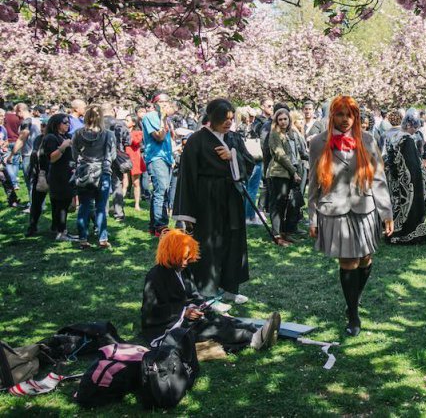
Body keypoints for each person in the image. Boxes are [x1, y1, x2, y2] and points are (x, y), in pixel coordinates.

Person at [307, 96, 393, 337]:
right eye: (340, 114)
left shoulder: (367, 140)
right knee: (348, 262)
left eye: (349, 115)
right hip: (334, 210)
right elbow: (313, 183)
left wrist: (386, 212)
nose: (345, 120)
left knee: (365, 259)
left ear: (356, 117)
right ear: (332, 115)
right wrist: (312, 216)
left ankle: (354, 298)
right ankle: (353, 313)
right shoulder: (318, 143)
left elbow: (378, 178)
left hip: (364, 207)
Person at [173, 98, 254, 311]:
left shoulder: (234, 138)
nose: (228, 123)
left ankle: (230, 287)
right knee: (209, 244)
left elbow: (249, 164)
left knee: (232, 240)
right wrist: (185, 214)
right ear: (212, 117)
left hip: (231, 199)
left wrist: (232, 157)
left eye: (231, 118)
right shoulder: (196, 141)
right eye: (223, 119)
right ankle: (208, 294)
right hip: (207, 200)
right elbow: (187, 177)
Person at [140, 229, 280, 349]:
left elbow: (193, 294)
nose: (185, 263)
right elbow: (152, 312)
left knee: (221, 320)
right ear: (170, 254)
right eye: (182, 259)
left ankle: (257, 331)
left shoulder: (183, 270)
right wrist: (184, 312)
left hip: (187, 317)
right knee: (212, 330)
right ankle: (255, 339)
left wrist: (203, 307)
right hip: (167, 327)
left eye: (187, 259)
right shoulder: (155, 277)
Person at [72, 104, 117, 249]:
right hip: (102, 172)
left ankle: (83, 239)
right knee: (101, 207)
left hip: (84, 172)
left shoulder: (78, 134)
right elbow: (113, 155)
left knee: (84, 206)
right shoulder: (108, 134)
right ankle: (102, 239)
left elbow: (74, 154)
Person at [384, 110, 426, 245]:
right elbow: (412, 165)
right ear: (409, 125)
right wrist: (421, 174)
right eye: (415, 128)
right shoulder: (407, 139)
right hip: (406, 181)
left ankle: (394, 233)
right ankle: (407, 235)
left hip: (394, 179)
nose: (415, 131)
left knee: (396, 206)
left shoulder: (394, 136)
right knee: (407, 208)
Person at [266, 107, 304, 246]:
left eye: (285, 119)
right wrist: (293, 172)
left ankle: (285, 233)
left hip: (290, 173)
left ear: (289, 120)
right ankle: (277, 235)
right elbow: (280, 155)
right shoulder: (274, 134)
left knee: (289, 204)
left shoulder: (291, 134)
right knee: (278, 205)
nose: (283, 122)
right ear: (276, 121)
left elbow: (296, 154)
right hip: (278, 173)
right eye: (280, 119)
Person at [142, 92, 175, 237]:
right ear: (155, 103)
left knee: (162, 191)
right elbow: (160, 137)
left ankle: (153, 225)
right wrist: (162, 118)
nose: (166, 105)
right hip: (156, 158)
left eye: (168, 102)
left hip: (166, 157)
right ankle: (161, 226)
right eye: (163, 102)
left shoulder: (166, 119)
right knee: (161, 191)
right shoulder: (150, 117)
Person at [39, 113, 75, 240]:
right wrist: (63, 147)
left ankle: (58, 229)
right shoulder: (51, 138)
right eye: (65, 122)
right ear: (57, 124)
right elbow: (51, 158)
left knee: (62, 203)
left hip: (67, 174)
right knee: (61, 204)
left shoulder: (66, 136)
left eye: (68, 122)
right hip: (58, 176)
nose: (68, 124)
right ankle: (61, 232)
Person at [121, 114, 145, 212]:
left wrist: (127, 134)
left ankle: (137, 204)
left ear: (133, 123)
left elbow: (135, 142)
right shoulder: (122, 131)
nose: (125, 122)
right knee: (124, 182)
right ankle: (119, 204)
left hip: (135, 159)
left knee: (136, 182)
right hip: (124, 158)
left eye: (127, 120)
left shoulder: (138, 133)